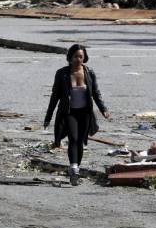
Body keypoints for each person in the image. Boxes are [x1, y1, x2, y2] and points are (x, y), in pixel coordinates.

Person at [44, 43, 110, 185]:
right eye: (75, 56)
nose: (78, 59)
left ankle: (76, 169)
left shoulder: (89, 72)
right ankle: (74, 169)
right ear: (70, 57)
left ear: (84, 57)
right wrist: (48, 116)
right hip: (69, 112)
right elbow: (55, 96)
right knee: (73, 138)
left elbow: (96, 93)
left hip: (85, 112)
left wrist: (103, 109)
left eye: (81, 56)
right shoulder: (62, 73)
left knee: (80, 141)